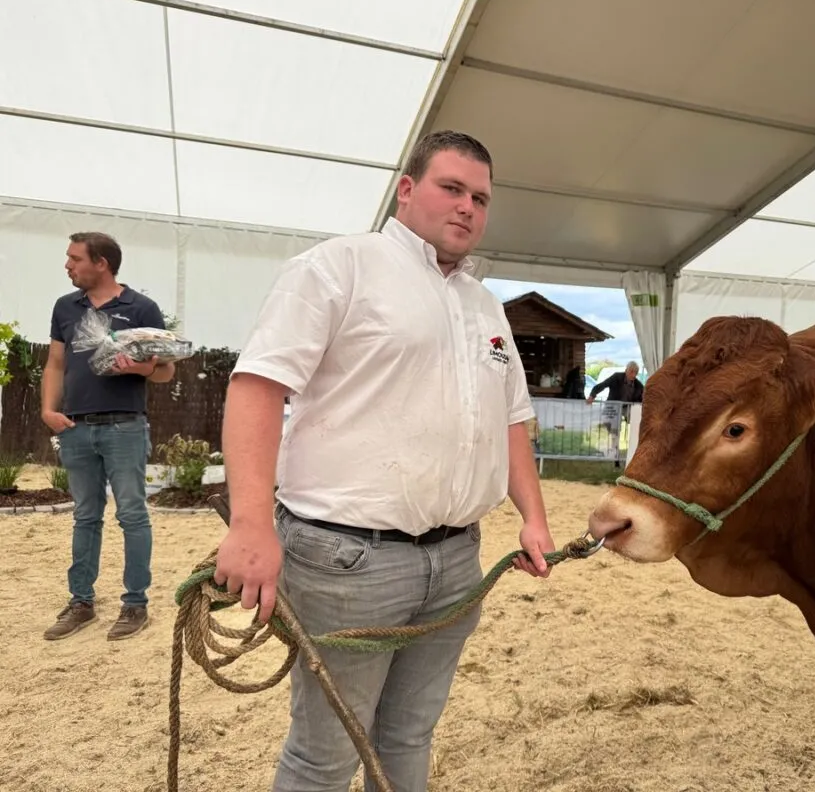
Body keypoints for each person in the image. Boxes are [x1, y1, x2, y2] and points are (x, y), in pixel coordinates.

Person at [214, 130, 556, 792]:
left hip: (457, 558)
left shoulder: (484, 305)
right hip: (347, 559)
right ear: (406, 189)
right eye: (450, 188)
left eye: (479, 198)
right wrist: (251, 523)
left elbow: (510, 417)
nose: (466, 208)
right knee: (326, 755)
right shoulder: (339, 266)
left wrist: (533, 518)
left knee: (407, 736)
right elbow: (257, 385)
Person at [41, 232, 176, 641]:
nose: (67, 265)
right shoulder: (66, 307)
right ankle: (81, 602)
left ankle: (135, 605)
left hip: (125, 426)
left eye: (75, 259)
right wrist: (49, 410)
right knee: (85, 516)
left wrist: (141, 369)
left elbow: (166, 369)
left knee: (132, 514)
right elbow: (55, 364)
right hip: (76, 427)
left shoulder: (140, 307)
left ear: (101, 263)